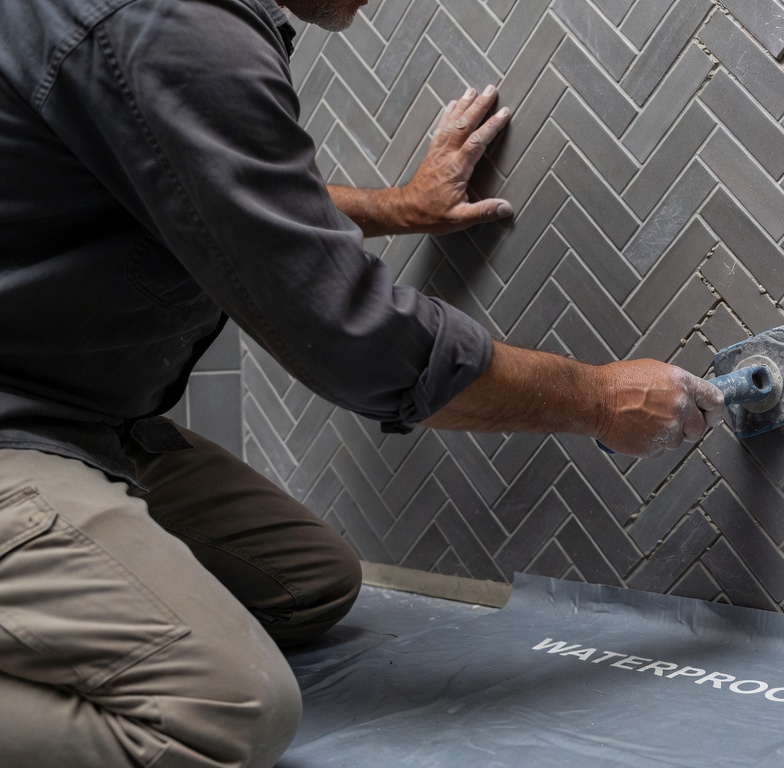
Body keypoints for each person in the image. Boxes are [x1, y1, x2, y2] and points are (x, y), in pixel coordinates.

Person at [0, 0, 724, 765]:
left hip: (80, 418)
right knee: (219, 712)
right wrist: (603, 400)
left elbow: (199, 188)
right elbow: (353, 337)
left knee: (304, 583)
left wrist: (399, 208)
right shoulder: (164, 23)